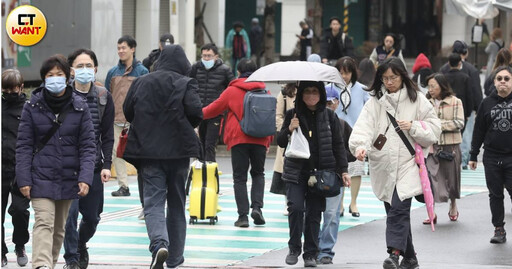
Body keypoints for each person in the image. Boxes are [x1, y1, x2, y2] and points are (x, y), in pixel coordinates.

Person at [349, 57, 441, 269]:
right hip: (382, 165)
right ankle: (410, 258)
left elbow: (434, 129)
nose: (389, 82)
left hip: (409, 164)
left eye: (394, 77)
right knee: (394, 211)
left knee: (399, 209)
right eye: (385, 78)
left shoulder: (417, 99)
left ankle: (394, 254)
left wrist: (414, 126)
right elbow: (363, 128)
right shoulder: (375, 103)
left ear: (403, 77)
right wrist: (360, 146)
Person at [122, 44, 203, 268]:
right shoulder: (186, 83)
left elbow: (128, 112)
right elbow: (197, 113)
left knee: (153, 203)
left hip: (148, 152)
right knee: (177, 203)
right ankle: (175, 258)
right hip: (178, 154)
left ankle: (159, 245)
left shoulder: (141, 82)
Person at [16, 55, 96, 269]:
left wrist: (85, 177)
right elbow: (23, 145)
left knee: (59, 228)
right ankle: (41, 265)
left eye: (59, 75)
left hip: (68, 177)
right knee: (44, 221)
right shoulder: (32, 106)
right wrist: (24, 178)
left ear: (67, 76)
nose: (55, 79)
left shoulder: (80, 107)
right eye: (50, 75)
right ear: (43, 79)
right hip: (40, 176)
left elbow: (88, 146)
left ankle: (48, 263)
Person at [277, 80, 350, 268]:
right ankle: (294, 248)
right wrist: (290, 129)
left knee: (314, 214)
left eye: (315, 91)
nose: (311, 95)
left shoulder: (330, 117)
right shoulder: (292, 115)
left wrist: (343, 171)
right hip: (296, 172)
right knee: (295, 208)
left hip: (321, 173)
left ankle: (311, 253)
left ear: (321, 95)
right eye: (307, 92)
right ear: (301, 94)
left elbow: (338, 146)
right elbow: (280, 142)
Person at [202, 59, 273, 228]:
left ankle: (243, 217)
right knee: (258, 174)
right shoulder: (265, 91)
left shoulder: (232, 90)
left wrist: (195, 113)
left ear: (238, 72)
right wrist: (268, 140)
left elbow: (213, 109)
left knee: (239, 178)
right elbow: (268, 117)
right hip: (260, 138)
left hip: (238, 138)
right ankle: (257, 208)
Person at [63, 49, 115, 269]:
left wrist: (106, 165)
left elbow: (107, 135)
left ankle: (81, 243)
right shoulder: (61, 97)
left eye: (88, 66)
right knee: (69, 216)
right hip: (66, 167)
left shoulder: (103, 97)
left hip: (93, 167)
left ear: (95, 69)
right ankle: (72, 259)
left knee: (92, 218)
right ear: (71, 70)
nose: (84, 70)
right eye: (79, 66)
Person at [469, 66, 512, 244]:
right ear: (494, 82)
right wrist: (473, 154)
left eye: (507, 78)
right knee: (495, 195)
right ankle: (499, 229)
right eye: (499, 78)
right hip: (492, 157)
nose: (503, 81)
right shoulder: (486, 103)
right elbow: (478, 130)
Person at [105, 35, 148, 198]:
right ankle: (124, 186)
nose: (120, 51)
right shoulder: (113, 72)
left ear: (133, 49)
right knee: (117, 153)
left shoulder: (142, 71)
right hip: (116, 119)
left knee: (139, 153)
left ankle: (145, 184)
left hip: (136, 121)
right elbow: (108, 95)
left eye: (123, 48)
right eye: (118, 48)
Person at [317, 84, 354, 265]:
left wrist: (341, 163)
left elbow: (351, 151)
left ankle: (325, 251)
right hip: (313, 175)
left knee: (331, 214)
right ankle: (313, 246)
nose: (328, 106)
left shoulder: (342, 125)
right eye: (324, 103)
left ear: (338, 103)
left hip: (335, 176)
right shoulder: (311, 122)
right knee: (311, 213)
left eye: (331, 102)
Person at [424, 73, 464, 225]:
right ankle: (431, 211)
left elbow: (459, 122)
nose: (430, 89)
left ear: (442, 86)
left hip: (450, 145)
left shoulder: (455, 101)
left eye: (433, 86)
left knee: (451, 177)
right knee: (430, 178)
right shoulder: (425, 102)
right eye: (429, 86)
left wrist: (438, 125)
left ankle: (453, 205)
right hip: (431, 145)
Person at [334, 57, 370, 218]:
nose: (344, 76)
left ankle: (353, 202)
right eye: (341, 72)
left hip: (356, 134)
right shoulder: (330, 88)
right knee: (338, 170)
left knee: (356, 169)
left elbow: (370, 110)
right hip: (337, 133)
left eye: (347, 73)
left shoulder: (362, 89)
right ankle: (340, 203)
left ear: (353, 73)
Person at [1, 69, 30, 267]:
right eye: (5, 89)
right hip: (1, 168)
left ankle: (20, 244)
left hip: (21, 168)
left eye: (13, 89)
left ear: (21, 88)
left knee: (20, 211)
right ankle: (1, 250)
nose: (9, 93)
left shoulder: (29, 109)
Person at [440, 40, 483, 170]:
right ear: (465, 52)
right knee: (466, 136)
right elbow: (475, 91)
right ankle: (464, 161)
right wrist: (476, 108)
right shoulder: (471, 70)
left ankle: (447, 157)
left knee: (447, 133)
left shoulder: (444, 69)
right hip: (466, 109)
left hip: (445, 107)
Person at [189, 43, 234, 162]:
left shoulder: (224, 70)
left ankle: (209, 171)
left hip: (216, 113)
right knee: (199, 143)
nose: (206, 59)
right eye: (204, 56)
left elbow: (232, 87)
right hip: (199, 112)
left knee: (210, 144)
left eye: (209, 56)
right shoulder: (195, 68)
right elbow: (189, 86)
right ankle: (199, 169)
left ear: (216, 56)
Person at [270, 83, 297, 214]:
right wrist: (286, 129)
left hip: (305, 136)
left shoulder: (309, 91)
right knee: (286, 169)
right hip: (288, 137)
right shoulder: (284, 93)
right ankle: (288, 202)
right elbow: (278, 115)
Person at [443, 53, 473, 131]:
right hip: (462, 110)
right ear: (460, 63)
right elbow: (469, 96)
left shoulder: (443, 77)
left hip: (446, 108)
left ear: (449, 63)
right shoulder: (465, 78)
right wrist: (468, 112)